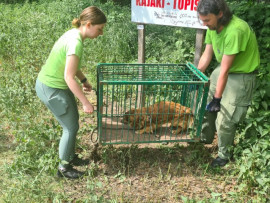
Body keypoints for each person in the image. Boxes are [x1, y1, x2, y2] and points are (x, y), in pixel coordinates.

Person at [35, 6, 107, 179]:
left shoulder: (74, 34)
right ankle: (64, 168)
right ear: (88, 24)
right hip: (51, 88)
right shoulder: (75, 42)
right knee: (70, 127)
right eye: (99, 29)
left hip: (56, 85)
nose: (101, 33)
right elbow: (68, 77)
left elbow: (72, 68)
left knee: (73, 122)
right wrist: (85, 102)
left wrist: (83, 80)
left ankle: (70, 157)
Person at [197, 0, 260, 167]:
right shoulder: (212, 27)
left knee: (225, 116)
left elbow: (225, 70)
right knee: (205, 102)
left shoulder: (235, 31)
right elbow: (207, 54)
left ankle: (223, 156)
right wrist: (196, 76)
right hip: (224, 69)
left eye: (207, 20)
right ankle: (204, 139)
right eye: (202, 20)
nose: (204, 23)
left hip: (241, 74)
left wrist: (218, 99)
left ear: (220, 14)